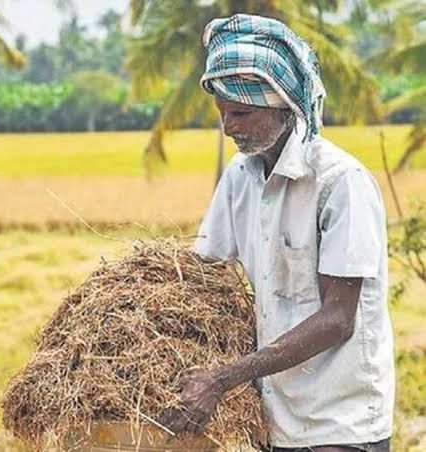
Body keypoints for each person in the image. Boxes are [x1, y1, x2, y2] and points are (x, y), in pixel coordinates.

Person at [161, 14, 394, 452]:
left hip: (338, 423)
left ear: (283, 105)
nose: (229, 127)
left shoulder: (341, 183)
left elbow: (338, 320)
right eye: (223, 114)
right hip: (271, 419)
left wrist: (223, 378)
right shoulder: (238, 177)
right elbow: (207, 276)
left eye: (241, 113)